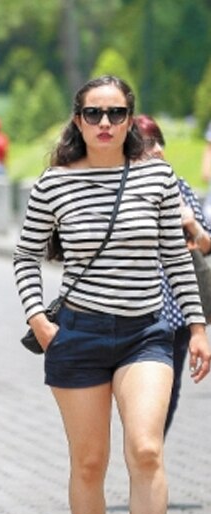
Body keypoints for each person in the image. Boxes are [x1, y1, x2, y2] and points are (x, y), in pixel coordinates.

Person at [13, 75, 210, 514]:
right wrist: (39, 319)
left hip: (145, 332)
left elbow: (176, 256)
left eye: (117, 113)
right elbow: (25, 255)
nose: (105, 123)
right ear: (78, 120)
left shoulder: (156, 176)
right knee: (90, 462)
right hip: (78, 335)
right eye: (94, 114)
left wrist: (197, 327)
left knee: (146, 448)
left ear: (130, 119)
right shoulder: (54, 183)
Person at [133, 114, 211, 434]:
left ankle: (151, 452)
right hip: (138, 311)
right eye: (145, 145)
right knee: (140, 393)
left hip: (177, 311)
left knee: (169, 392)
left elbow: (206, 246)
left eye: (157, 142)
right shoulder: (124, 194)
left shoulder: (180, 189)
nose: (154, 150)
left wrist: (190, 223)